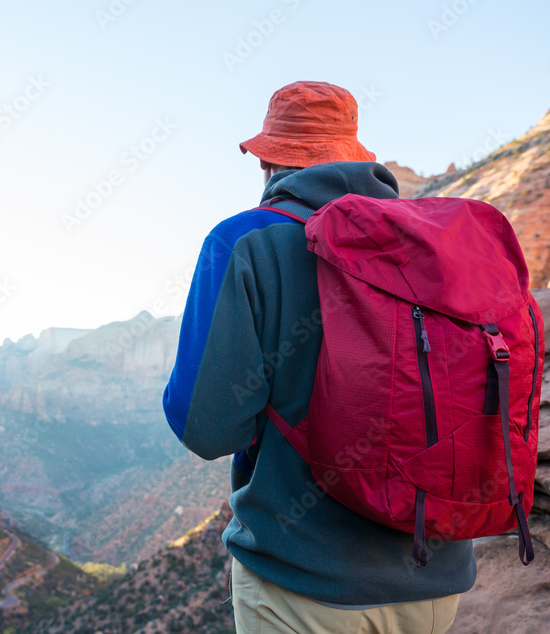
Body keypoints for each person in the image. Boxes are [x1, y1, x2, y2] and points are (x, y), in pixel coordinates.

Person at [162, 81, 474, 633]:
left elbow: (206, 429)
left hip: (305, 584)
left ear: (267, 158)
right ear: (357, 157)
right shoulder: (430, 243)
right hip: (435, 579)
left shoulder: (246, 241)